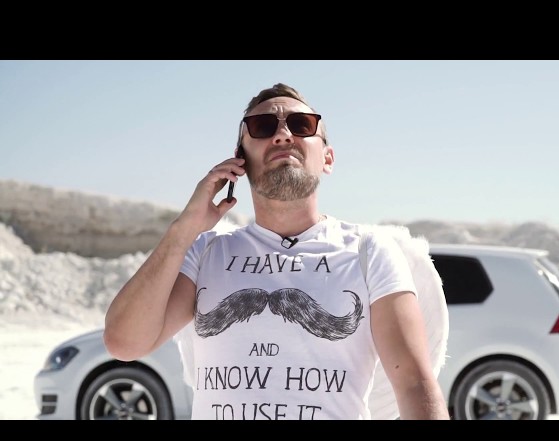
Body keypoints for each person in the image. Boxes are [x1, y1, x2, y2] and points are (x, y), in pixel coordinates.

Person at [104, 83, 450, 420]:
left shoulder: (369, 251)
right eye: (263, 126)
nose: (283, 135)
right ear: (239, 161)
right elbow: (124, 343)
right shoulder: (205, 252)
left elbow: (414, 384)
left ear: (327, 158)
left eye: (302, 125)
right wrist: (182, 230)